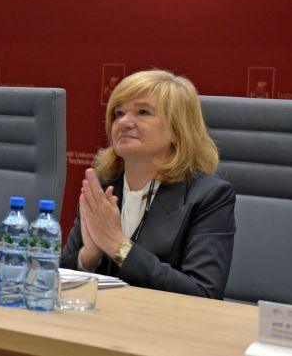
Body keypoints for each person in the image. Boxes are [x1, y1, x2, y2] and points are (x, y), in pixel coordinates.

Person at [61, 69, 236, 299]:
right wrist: (88, 257)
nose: (124, 122)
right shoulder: (103, 187)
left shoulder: (208, 196)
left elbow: (203, 293)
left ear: (177, 130)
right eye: (119, 112)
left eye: (143, 112)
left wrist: (118, 245)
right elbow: (59, 275)